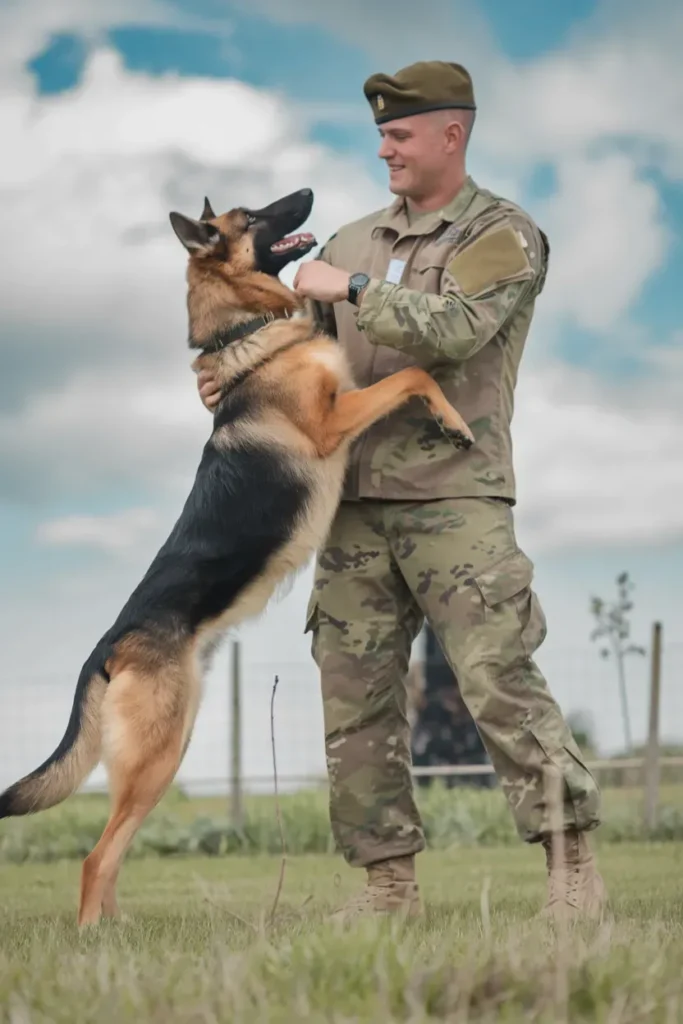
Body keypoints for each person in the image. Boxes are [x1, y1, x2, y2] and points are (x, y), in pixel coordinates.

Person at [196, 60, 607, 923]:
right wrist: (227, 367)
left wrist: (346, 288)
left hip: (454, 497)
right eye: (380, 135)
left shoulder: (502, 233)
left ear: (450, 135)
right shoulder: (346, 239)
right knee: (354, 696)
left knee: (496, 676)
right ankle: (387, 887)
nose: (383, 149)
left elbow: (456, 330)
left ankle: (571, 869)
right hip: (347, 503)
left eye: (399, 135)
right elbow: (290, 350)